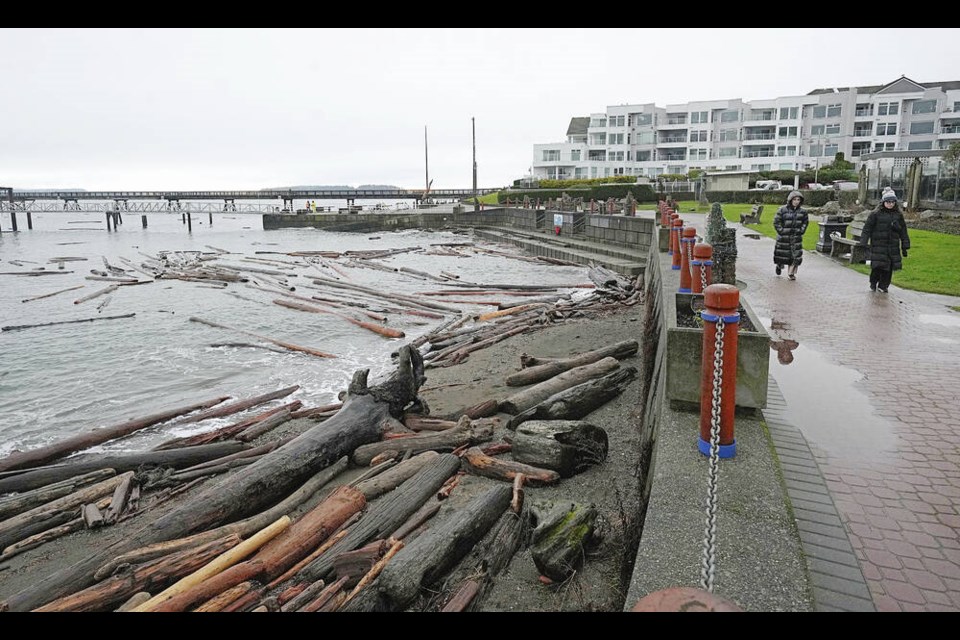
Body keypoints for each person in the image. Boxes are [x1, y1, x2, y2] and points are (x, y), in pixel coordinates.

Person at [858, 190, 910, 293]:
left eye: (892, 202)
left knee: (889, 267)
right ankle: (873, 282)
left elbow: (903, 230)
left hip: (892, 245)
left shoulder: (898, 215)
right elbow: (867, 228)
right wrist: (863, 242)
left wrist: (905, 245)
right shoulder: (875, 214)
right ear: (883, 202)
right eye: (888, 202)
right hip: (878, 244)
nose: (890, 204)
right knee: (878, 266)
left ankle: (883, 285)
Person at [773, 190, 809, 280]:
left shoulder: (803, 212)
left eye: (798, 199)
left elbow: (805, 222)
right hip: (784, 238)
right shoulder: (782, 210)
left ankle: (791, 273)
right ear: (790, 200)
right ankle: (779, 265)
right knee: (782, 255)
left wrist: (801, 230)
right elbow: (776, 222)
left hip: (796, 237)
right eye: (794, 199)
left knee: (795, 256)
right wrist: (782, 231)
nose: (796, 201)